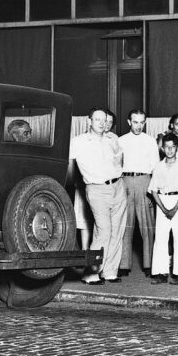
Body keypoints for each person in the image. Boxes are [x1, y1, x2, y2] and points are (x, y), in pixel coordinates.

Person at [69, 107, 126, 284]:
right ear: (89, 121)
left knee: (117, 231)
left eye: (105, 120)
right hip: (96, 189)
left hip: (118, 186)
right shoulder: (79, 141)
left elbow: (119, 161)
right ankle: (91, 272)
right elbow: (69, 166)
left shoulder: (112, 139)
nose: (102, 123)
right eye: (98, 119)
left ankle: (109, 272)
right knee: (103, 231)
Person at [118, 109, 159, 277]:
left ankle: (150, 265)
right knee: (124, 224)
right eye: (135, 122)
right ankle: (123, 265)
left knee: (147, 225)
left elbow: (156, 167)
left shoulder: (150, 141)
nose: (139, 126)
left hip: (144, 181)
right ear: (129, 122)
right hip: (125, 181)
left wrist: (152, 190)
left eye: (142, 122)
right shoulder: (120, 141)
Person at [148, 132, 178, 284]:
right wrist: (162, 207)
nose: (169, 150)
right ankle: (160, 273)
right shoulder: (158, 166)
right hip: (162, 201)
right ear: (162, 149)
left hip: (177, 202)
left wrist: (174, 209)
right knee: (161, 238)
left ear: (176, 148)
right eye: (166, 147)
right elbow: (153, 190)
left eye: (172, 147)